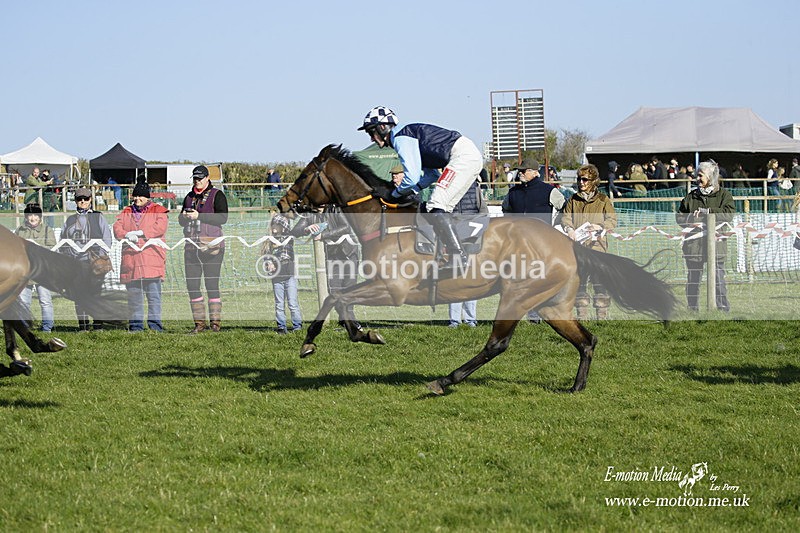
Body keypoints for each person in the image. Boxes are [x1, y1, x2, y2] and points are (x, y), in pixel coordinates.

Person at [357, 105, 482, 266]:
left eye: (370, 132)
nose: (371, 139)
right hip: (465, 155)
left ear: (382, 127)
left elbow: (411, 177)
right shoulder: (406, 135)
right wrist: (413, 190)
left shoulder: (401, 137)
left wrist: (395, 194)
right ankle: (448, 252)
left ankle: (458, 256)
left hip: (462, 156)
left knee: (436, 205)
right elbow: (432, 175)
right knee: (441, 208)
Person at [503, 157, 566, 322]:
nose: (521, 173)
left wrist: (554, 225)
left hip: (541, 245)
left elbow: (564, 208)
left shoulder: (549, 191)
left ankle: (547, 313)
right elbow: (506, 210)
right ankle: (529, 314)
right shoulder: (513, 193)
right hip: (518, 245)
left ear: (535, 172)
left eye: (524, 171)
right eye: (520, 171)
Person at [676, 160, 735, 312]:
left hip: (717, 246)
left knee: (718, 280)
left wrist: (709, 212)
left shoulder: (724, 195)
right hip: (693, 247)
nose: (697, 179)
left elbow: (729, 214)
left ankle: (722, 309)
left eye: (700, 176)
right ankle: (692, 309)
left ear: (711, 177)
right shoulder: (691, 197)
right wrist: (692, 218)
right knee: (693, 280)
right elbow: (679, 217)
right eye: (697, 175)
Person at [561, 164, 618, 320]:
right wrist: (569, 229)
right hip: (578, 248)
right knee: (580, 282)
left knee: (599, 282)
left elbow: (612, 220)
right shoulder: (573, 200)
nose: (581, 182)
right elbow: (566, 217)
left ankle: (602, 315)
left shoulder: (603, 200)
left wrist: (599, 226)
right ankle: (582, 316)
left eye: (585, 179)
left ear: (593, 181)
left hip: (597, 247)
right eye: (579, 179)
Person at [112, 182, 169, 332]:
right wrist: (126, 235)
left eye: (140, 196)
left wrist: (140, 233)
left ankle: (155, 327)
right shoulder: (126, 211)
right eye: (135, 195)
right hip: (131, 262)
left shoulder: (158, 210)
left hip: (152, 261)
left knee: (154, 297)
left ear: (147, 197)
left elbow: (160, 228)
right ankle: (136, 326)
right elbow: (117, 228)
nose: (137, 198)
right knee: (134, 298)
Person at [179, 165, 229, 333]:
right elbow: (180, 220)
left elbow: (223, 217)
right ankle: (199, 324)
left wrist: (199, 216)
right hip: (192, 247)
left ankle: (215, 324)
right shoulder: (188, 196)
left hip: (213, 247)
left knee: (211, 284)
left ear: (208, 178)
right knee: (192, 285)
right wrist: (185, 217)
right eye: (195, 178)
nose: (197, 181)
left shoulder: (217, 195)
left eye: (200, 178)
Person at [60, 187, 113, 331]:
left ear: (91, 200)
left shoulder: (98, 216)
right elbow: (63, 241)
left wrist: (99, 255)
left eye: (86, 199)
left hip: (95, 261)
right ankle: (83, 326)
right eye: (79, 199)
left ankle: (98, 325)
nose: (82, 201)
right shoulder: (70, 219)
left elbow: (107, 238)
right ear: (75, 201)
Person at [448, 180, 486, 328]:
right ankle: (455, 320)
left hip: (471, 237)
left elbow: (483, 212)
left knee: (470, 279)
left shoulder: (475, 187)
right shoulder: (449, 186)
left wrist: (475, 228)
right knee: (456, 279)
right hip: (453, 236)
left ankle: (470, 319)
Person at [15, 203, 56, 332]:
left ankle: (47, 327)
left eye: (35, 215)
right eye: (30, 215)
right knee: (24, 301)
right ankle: (25, 327)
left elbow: (52, 248)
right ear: (26, 217)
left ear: (40, 217)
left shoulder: (47, 230)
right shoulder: (20, 230)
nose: (33, 218)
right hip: (25, 271)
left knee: (45, 301)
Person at [264, 214, 302, 334]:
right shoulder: (268, 241)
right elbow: (266, 257)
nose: (275, 226)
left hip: (289, 276)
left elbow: (285, 255)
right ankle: (281, 327)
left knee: (292, 303)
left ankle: (297, 327)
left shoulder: (288, 239)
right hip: (276, 278)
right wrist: (269, 264)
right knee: (279, 304)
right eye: (274, 224)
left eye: (279, 224)